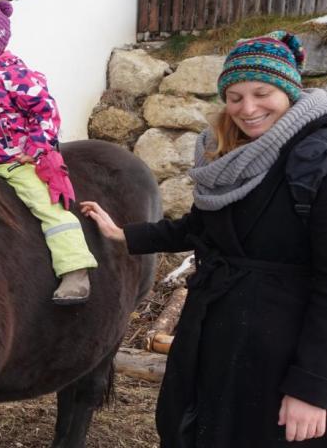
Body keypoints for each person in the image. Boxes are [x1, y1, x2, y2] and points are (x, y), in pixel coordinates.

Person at [81, 31, 327, 446]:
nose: (248, 109)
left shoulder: (315, 159)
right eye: (234, 97)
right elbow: (202, 227)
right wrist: (125, 234)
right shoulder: (230, 151)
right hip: (214, 335)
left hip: (280, 354)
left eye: (262, 93)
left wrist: (312, 387)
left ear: (289, 90)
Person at [0, 0, 98, 304]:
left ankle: (75, 268)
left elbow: (46, 113)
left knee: (47, 206)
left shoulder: (18, 78)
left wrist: (34, 148)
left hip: (14, 161)